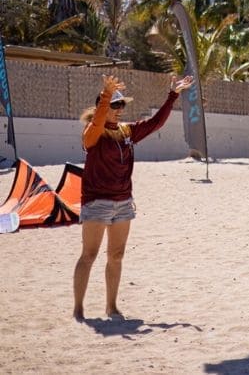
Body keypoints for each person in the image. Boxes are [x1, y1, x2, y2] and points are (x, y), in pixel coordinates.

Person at [72, 73, 193, 321]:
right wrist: (106, 94)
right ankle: (78, 308)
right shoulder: (92, 133)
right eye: (114, 105)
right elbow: (97, 123)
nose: (119, 110)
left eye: (122, 105)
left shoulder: (126, 131)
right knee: (89, 255)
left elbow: (156, 123)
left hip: (123, 203)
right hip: (97, 202)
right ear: (102, 107)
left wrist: (173, 95)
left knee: (116, 256)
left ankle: (111, 307)